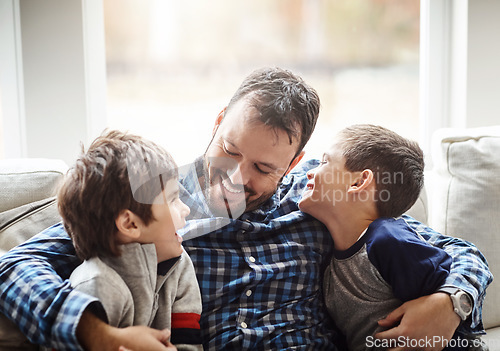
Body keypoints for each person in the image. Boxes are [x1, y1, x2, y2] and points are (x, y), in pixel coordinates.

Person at [0, 67, 492, 351]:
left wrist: (450, 302)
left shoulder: (321, 198)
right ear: (218, 123)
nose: (236, 178)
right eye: (230, 150)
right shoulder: (155, 195)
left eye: (262, 166)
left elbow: (458, 252)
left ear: (295, 162)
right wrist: (97, 333)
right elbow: (15, 264)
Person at [298, 124, 476, 350]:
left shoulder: (388, 240)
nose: (309, 171)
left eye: (325, 162)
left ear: (359, 182)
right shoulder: (330, 263)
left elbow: (448, 322)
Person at [58, 131, 202, 350]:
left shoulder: (179, 266)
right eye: (172, 199)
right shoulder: (95, 285)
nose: (186, 209)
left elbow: (188, 344)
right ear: (130, 224)